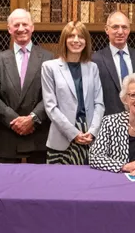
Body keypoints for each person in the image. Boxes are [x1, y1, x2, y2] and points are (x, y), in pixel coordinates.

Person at [0, 9, 54, 164]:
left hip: (38, 134)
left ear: (32, 27)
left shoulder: (48, 57)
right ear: (9, 29)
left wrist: (33, 118)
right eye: (16, 25)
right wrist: (14, 120)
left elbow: (52, 95)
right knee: (5, 186)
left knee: (38, 186)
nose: (21, 28)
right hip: (5, 135)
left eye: (25, 24)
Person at [41, 21, 104, 165]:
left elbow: (99, 103)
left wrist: (93, 131)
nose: (76, 40)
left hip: (88, 136)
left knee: (87, 183)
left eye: (81, 37)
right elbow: (50, 107)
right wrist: (73, 133)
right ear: (64, 40)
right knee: (59, 183)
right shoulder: (49, 67)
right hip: (62, 136)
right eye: (71, 36)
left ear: (86, 41)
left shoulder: (92, 67)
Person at [92, 10, 135, 115]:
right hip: (108, 122)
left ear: (129, 30)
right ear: (107, 29)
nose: (120, 32)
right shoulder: (95, 60)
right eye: (115, 27)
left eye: (124, 27)